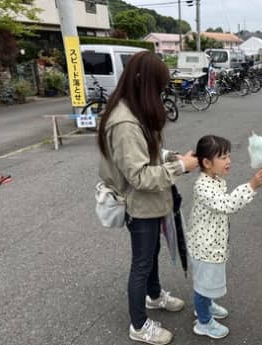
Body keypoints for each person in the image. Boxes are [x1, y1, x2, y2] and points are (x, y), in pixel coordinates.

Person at [98, 51, 199, 345]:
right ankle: (139, 325)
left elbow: (148, 154)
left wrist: (172, 156)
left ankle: (154, 296)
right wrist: (181, 167)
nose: (161, 94)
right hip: (139, 205)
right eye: (159, 87)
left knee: (151, 252)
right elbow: (139, 176)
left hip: (151, 203)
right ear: (144, 84)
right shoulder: (125, 123)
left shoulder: (134, 109)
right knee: (141, 262)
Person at [187, 135, 262, 339]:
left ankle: (206, 305)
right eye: (223, 157)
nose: (229, 161)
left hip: (213, 243)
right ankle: (203, 321)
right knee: (203, 285)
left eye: (229, 156)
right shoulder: (203, 186)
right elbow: (227, 204)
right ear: (207, 163)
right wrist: (251, 185)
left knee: (208, 282)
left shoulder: (215, 179)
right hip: (204, 247)